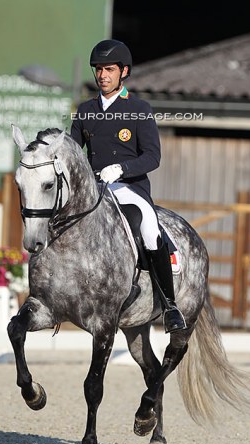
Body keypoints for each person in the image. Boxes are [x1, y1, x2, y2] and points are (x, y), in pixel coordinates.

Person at [70, 39, 186, 333]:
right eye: (98, 69)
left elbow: (152, 156)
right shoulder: (84, 110)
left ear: (123, 72)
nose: (102, 75)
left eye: (109, 69)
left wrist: (122, 168)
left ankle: (170, 305)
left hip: (129, 189)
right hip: (95, 189)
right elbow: (73, 152)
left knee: (148, 226)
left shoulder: (138, 109)